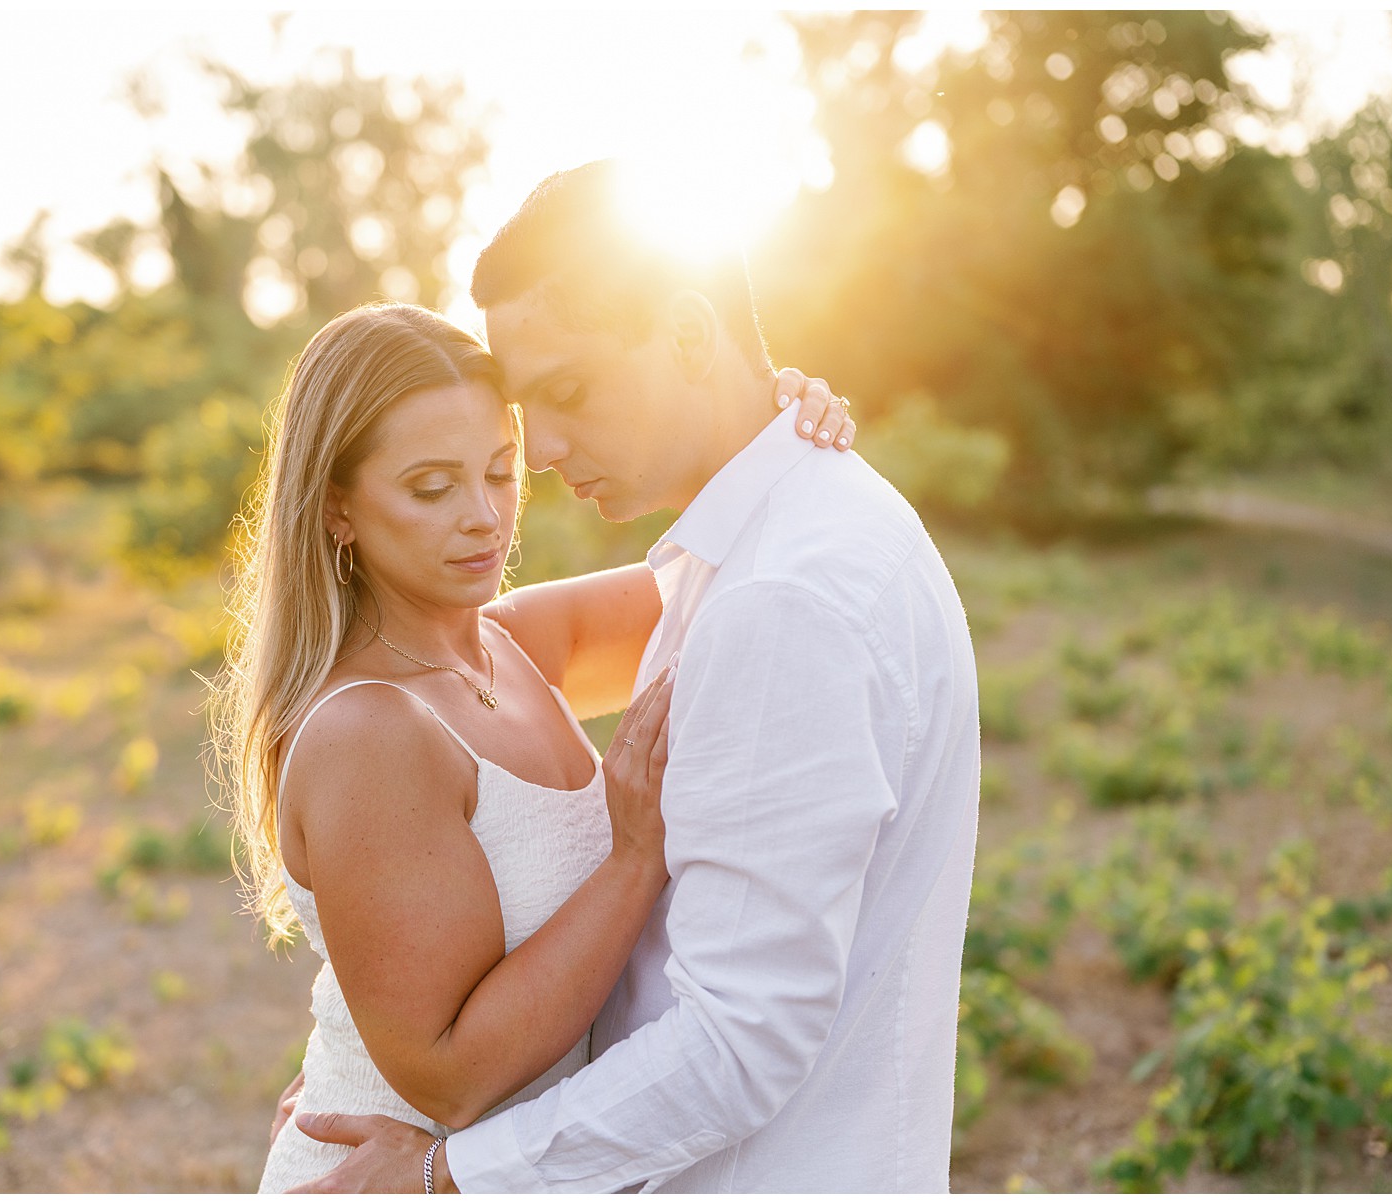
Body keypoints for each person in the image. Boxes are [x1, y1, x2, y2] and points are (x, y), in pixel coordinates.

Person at [289, 159, 980, 1193]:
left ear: (691, 335)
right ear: (339, 506)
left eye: (562, 397)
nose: (539, 456)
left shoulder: (770, 591)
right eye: (436, 483)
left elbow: (739, 1040)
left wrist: (446, 1173)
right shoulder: (772, 545)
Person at [206, 302, 853, 1193]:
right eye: (431, 488)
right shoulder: (369, 733)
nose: (484, 517)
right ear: (337, 508)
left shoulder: (511, 644)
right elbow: (452, 1076)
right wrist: (634, 859)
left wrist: (775, 424)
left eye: (500, 472)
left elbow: (741, 571)